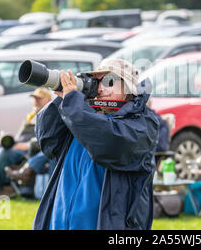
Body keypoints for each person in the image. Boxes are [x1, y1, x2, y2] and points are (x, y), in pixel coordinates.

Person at [32, 58, 159, 230]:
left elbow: (108, 142)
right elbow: (48, 140)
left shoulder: (141, 123)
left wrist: (74, 104)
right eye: (97, 82)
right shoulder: (83, 116)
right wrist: (62, 100)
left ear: (129, 87)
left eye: (109, 81)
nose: (101, 88)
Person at [0, 87, 53, 197]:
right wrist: (2, 140)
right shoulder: (30, 116)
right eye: (34, 98)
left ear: (48, 100)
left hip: (30, 150)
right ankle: (2, 185)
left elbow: (51, 139)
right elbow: (19, 137)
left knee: (3, 153)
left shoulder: (51, 114)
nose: (35, 101)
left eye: (39, 98)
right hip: (16, 146)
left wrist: (28, 145)